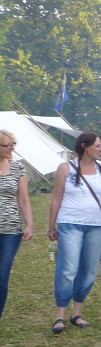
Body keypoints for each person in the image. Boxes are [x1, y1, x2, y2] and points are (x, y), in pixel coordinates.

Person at [47, 131, 101, 333]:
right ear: (85, 147)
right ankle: (60, 315)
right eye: (97, 146)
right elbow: (56, 199)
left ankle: (76, 313)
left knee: (89, 271)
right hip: (70, 224)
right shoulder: (65, 168)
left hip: (96, 225)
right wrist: (51, 226)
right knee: (68, 269)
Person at [0, 129, 33, 321]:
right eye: (8, 145)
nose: (12, 148)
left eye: (14, 144)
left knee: (2, 277)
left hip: (10, 230)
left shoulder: (18, 168)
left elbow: (24, 200)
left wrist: (29, 224)